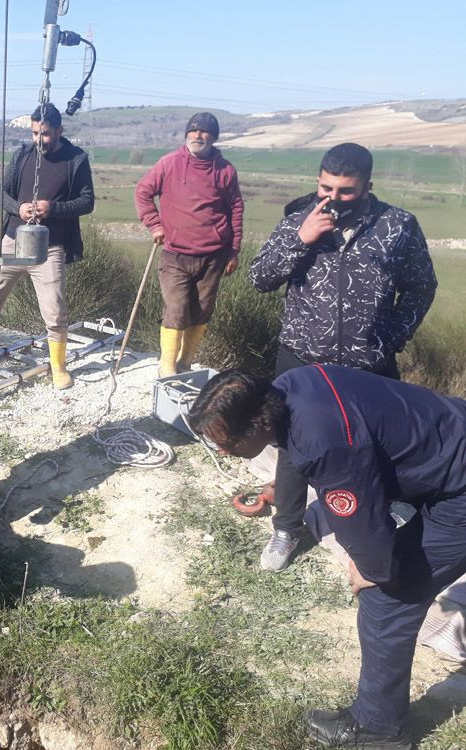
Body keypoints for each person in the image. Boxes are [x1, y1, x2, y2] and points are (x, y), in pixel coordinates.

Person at [188, 365, 466, 750]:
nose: (220, 450)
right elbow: (298, 453)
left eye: (226, 442)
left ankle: (380, 729)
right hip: (448, 439)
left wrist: (373, 568)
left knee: (387, 599)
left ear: (258, 423)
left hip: (459, 490)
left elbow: (363, 516)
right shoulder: (288, 386)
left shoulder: (325, 443)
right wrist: (283, 494)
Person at [249, 142, 436, 571]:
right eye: (325, 187)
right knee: (294, 446)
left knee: (379, 442)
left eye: (345, 191)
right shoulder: (299, 218)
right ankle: (286, 528)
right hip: (301, 359)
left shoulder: (398, 226)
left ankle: (383, 516)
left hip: (368, 360)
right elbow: (260, 278)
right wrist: (301, 240)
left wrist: (391, 336)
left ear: (368, 186)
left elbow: (421, 286)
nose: (332, 198)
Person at [0, 102, 95, 390]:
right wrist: (18, 208)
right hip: (14, 239)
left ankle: (58, 366)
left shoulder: (76, 160)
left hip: (52, 246)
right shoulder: (22, 155)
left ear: (59, 130)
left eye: (45, 134)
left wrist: (53, 208)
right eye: (35, 133)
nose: (39, 140)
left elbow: (87, 202)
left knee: (55, 308)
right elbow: (0, 194)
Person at [134, 112, 243, 377]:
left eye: (204, 131)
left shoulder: (225, 170)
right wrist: (155, 225)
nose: (197, 135)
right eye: (192, 131)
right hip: (175, 254)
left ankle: (185, 363)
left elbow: (236, 207)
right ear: (186, 135)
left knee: (202, 311)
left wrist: (234, 249)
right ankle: (167, 367)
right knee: (177, 309)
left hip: (214, 256)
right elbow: (143, 192)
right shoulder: (169, 163)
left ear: (213, 137)